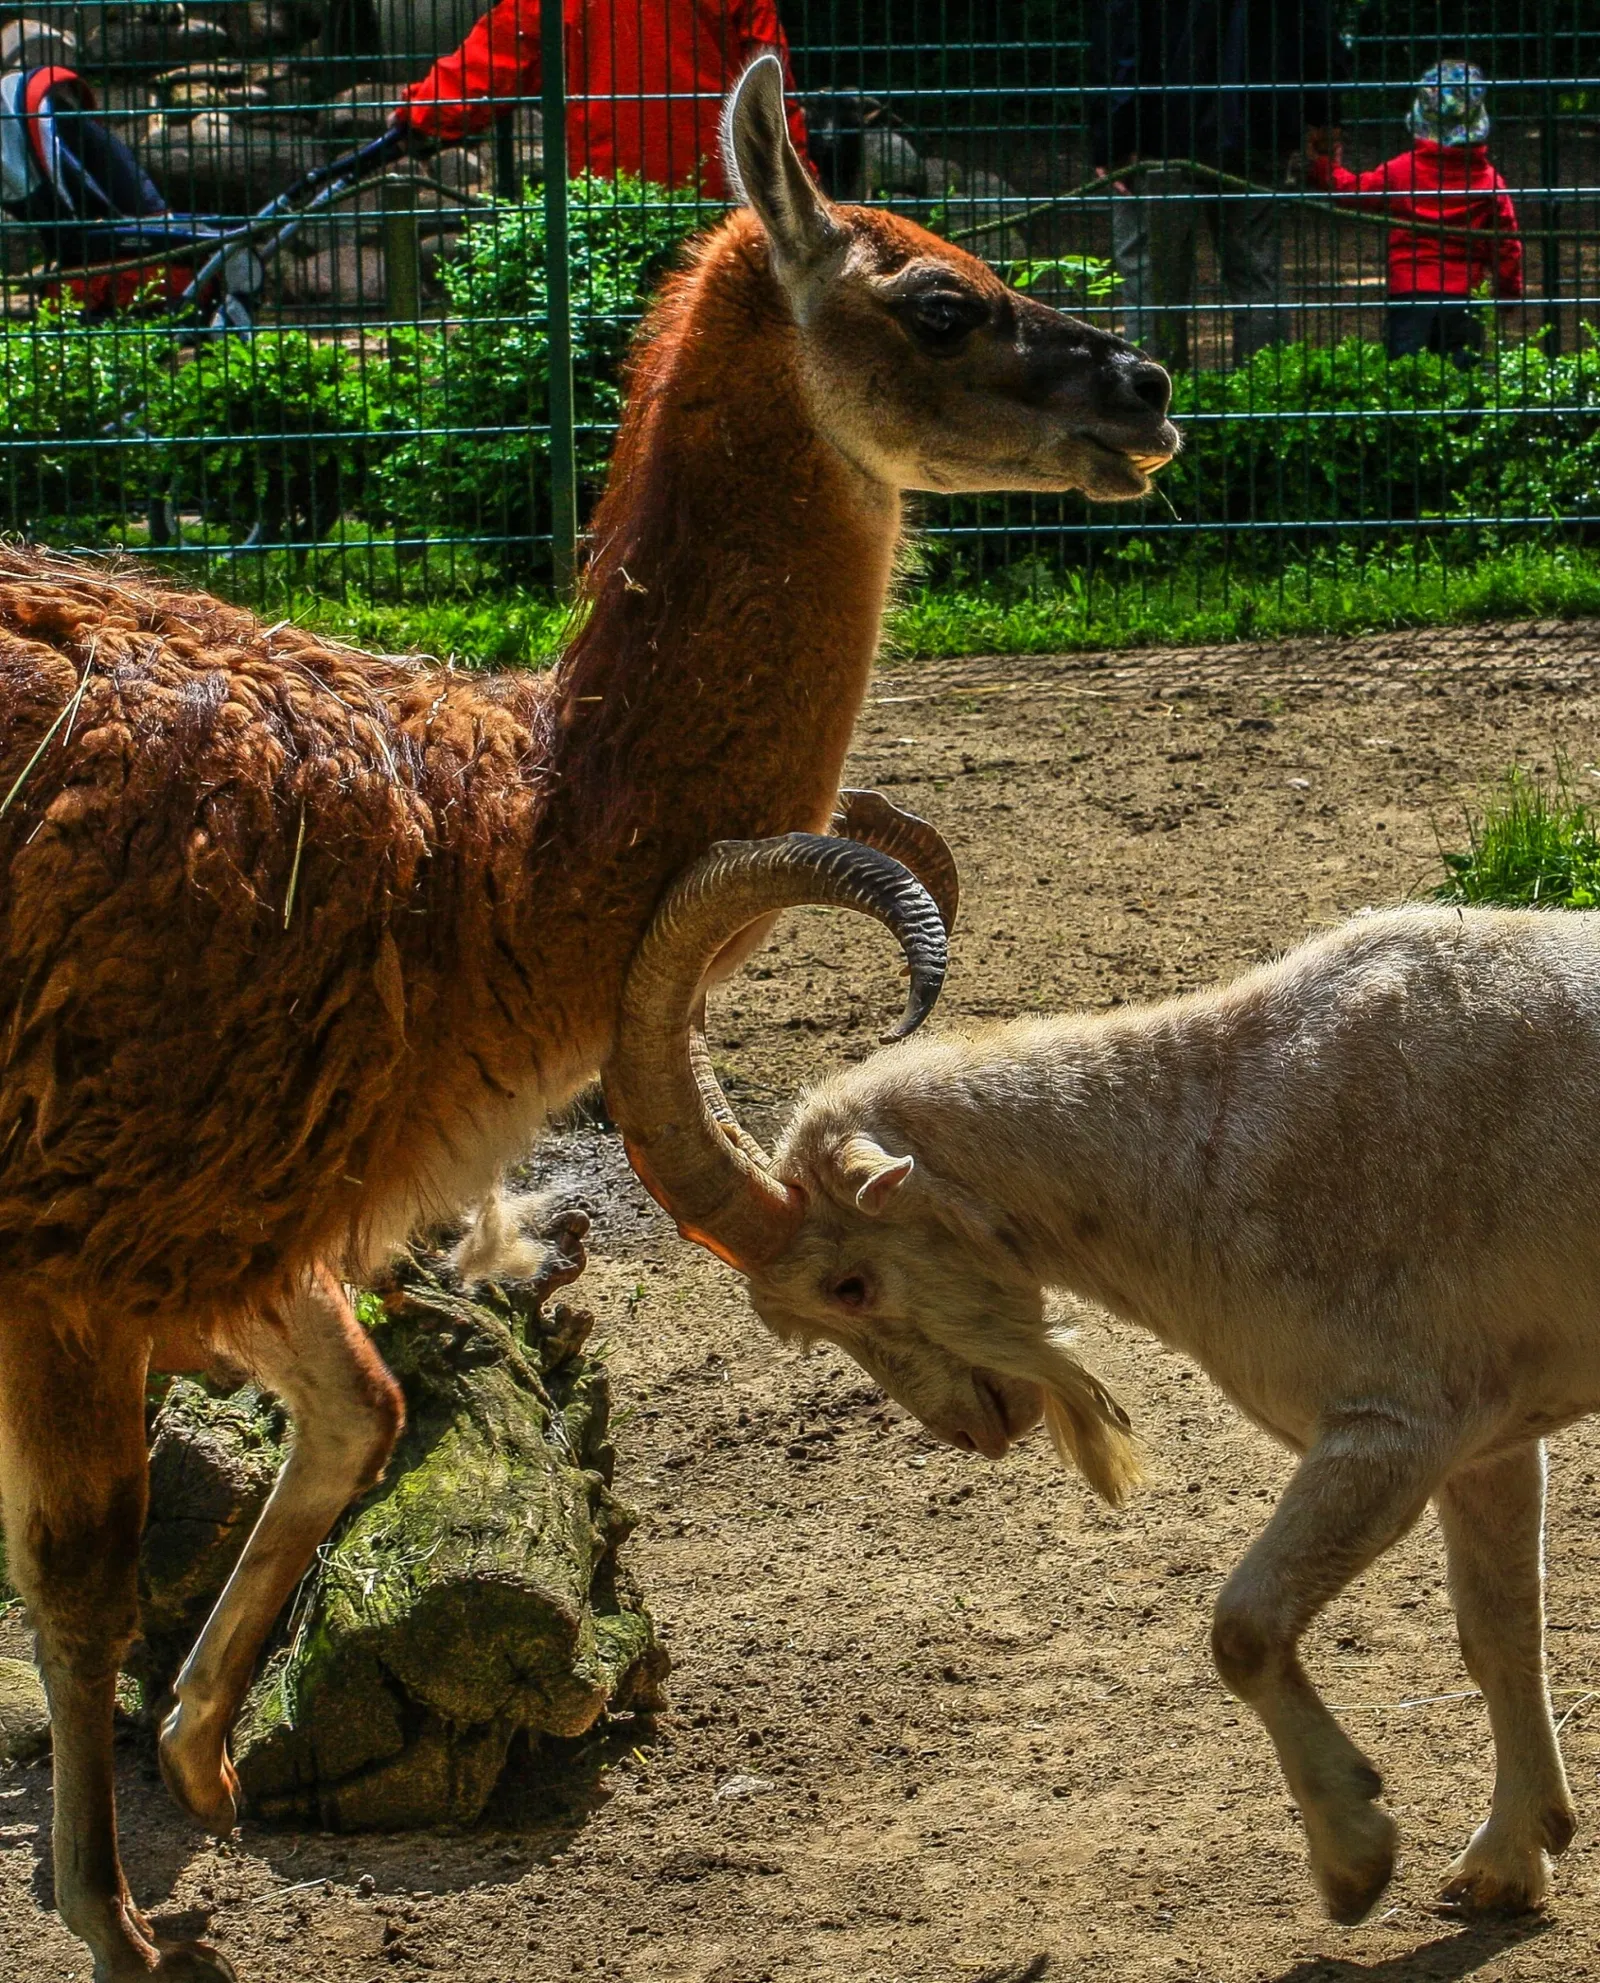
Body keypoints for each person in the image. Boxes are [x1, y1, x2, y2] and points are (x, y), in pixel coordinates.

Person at [1089, 0, 1347, 369]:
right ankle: (1265, 402)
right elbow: (1314, 25)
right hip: (1259, 118)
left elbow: (1121, 34)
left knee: (1151, 276)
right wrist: (1325, 113)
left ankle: (1154, 406)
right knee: (1256, 271)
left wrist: (1114, 135)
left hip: (1158, 132)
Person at [387, 0, 809, 197]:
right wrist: (803, 180)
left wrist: (421, 113)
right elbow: (771, 89)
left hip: (610, 191)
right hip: (720, 187)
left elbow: (501, 56)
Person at [1305, 60, 1523, 366]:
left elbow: (1353, 193)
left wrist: (1325, 165)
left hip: (1410, 293)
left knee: (1407, 381)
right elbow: (1507, 244)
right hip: (1465, 296)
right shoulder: (1490, 182)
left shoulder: (1401, 171)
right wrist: (1508, 291)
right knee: (1463, 380)